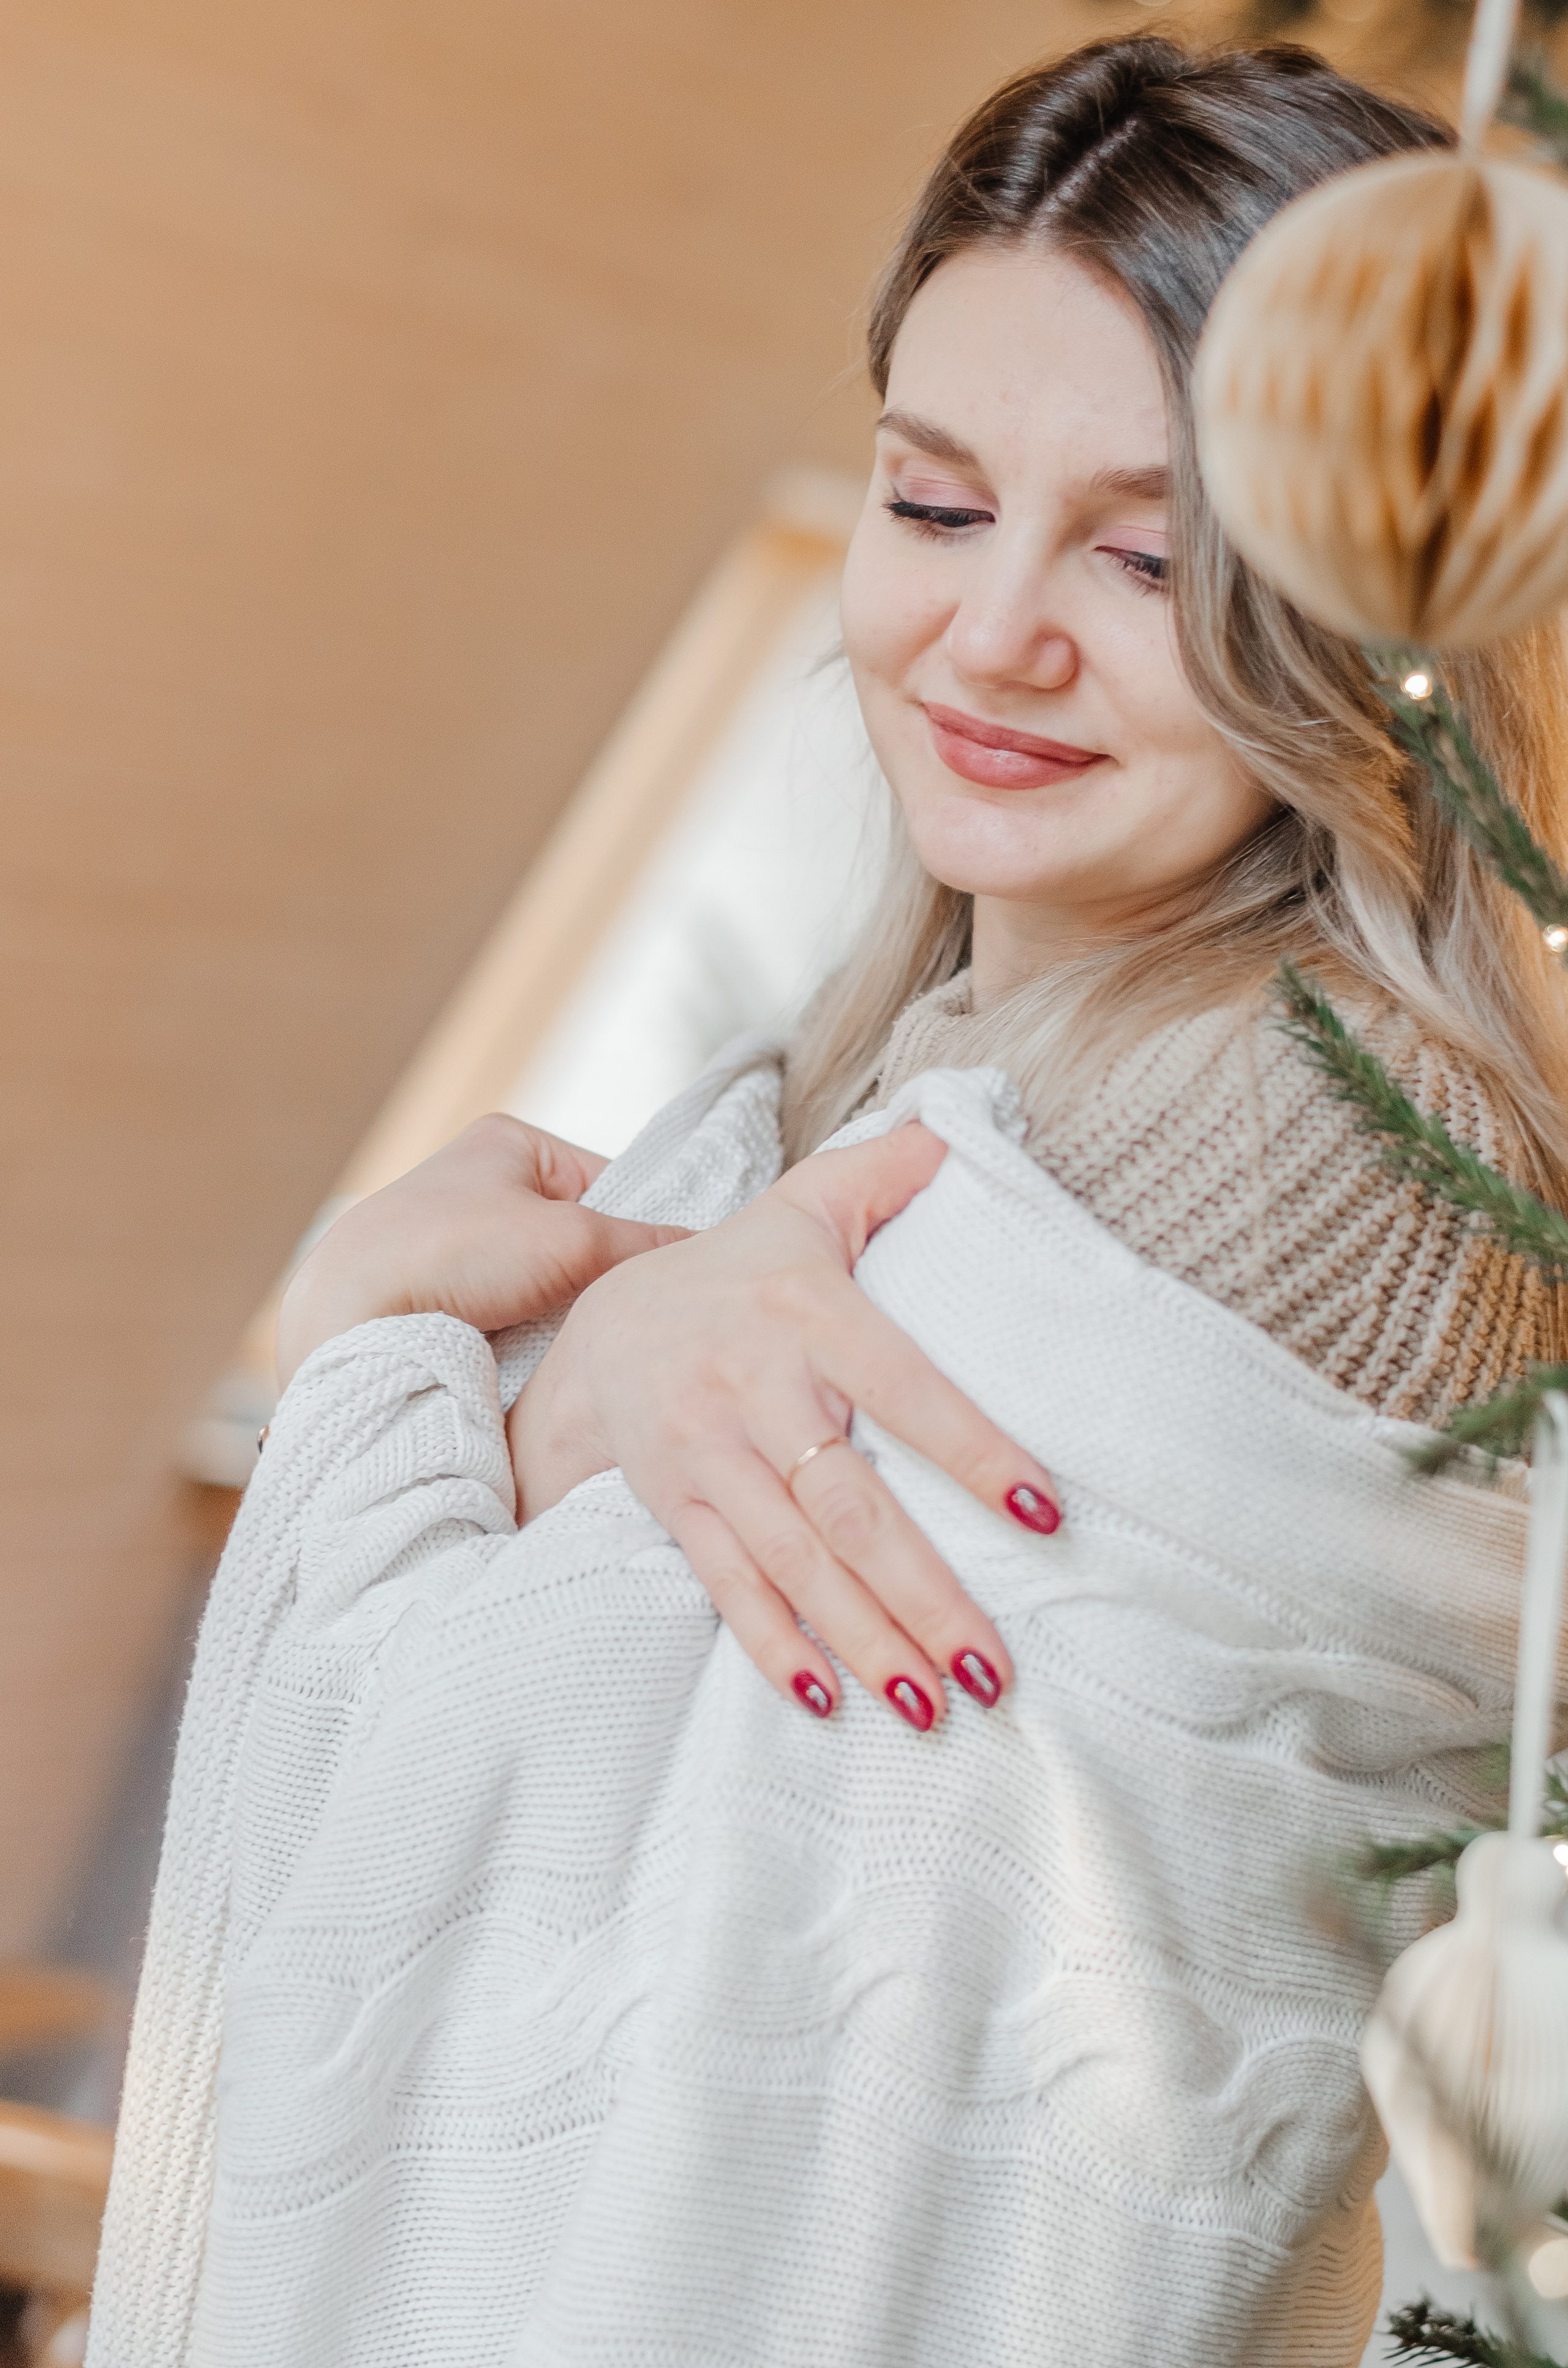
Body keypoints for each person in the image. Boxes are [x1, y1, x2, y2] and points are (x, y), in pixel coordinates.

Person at [89, 37, 1568, 2368]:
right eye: (935, 500)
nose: (992, 638)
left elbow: (635, 1866)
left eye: (1149, 553)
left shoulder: (1347, 1138)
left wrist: (407, 1364)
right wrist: (563, 1355)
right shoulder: (819, 1081)